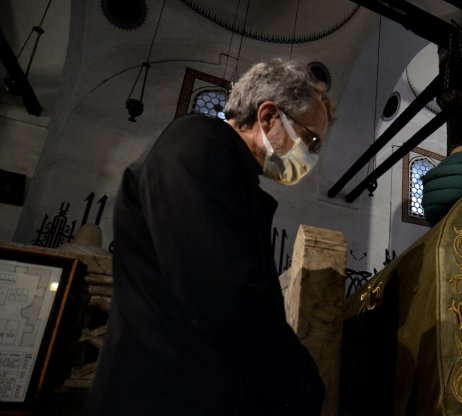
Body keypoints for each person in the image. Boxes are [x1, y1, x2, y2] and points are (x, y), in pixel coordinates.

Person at [85, 59, 330, 415]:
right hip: (159, 397)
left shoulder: (223, 163)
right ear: (268, 117)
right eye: (310, 140)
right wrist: (303, 382)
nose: (310, 155)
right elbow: (224, 296)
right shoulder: (197, 145)